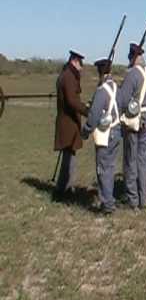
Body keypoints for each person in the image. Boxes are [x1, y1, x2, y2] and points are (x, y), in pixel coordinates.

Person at [118, 43, 146, 211]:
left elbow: (123, 99)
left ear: (132, 57)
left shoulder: (132, 74)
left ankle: (133, 200)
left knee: (130, 160)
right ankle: (143, 198)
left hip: (134, 121)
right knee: (143, 160)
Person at [80, 58, 121, 214]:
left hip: (106, 133)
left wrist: (86, 130)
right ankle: (109, 199)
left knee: (103, 169)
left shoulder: (102, 90)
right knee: (110, 167)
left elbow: (94, 116)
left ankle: (107, 204)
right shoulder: (116, 87)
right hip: (117, 131)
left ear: (100, 72)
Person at [53, 50, 89, 201]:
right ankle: (65, 190)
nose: (82, 66)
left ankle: (65, 188)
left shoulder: (69, 75)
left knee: (70, 156)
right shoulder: (68, 76)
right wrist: (87, 111)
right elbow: (72, 101)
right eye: (80, 62)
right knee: (69, 158)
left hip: (69, 122)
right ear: (74, 60)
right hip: (68, 123)